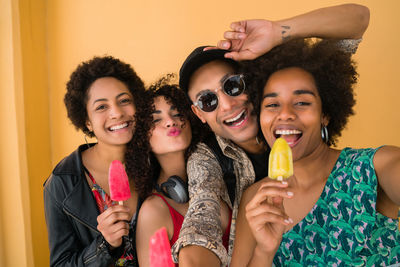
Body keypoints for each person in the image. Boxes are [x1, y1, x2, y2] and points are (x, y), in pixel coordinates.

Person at [172, 3, 370, 266]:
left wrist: (278, 31)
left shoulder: (288, 101)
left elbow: (358, 19)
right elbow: (201, 213)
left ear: (252, 80)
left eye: (232, 85)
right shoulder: (206, 158)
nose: (228, 106)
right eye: (208, 101)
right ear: (199, 115)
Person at [231, 38, 400, 266]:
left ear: (325, 115)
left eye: (301, 102)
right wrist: (264, 251)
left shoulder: (373, 166)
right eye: (272, 105)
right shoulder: (256, 199)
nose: (285, 114)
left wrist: (275, 31)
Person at [43, 56, 146, 267]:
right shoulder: (62, 184)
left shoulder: (157, 159)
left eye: (124, 100)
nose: (117, 113)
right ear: (87, 121)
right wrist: (103, 246)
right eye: (101, 107)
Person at [123, 76, 231, 266]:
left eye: (177, 113)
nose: (171, 122)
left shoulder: (223, 175)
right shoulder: (153, 211)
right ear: (142, 139)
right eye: (156, 119)